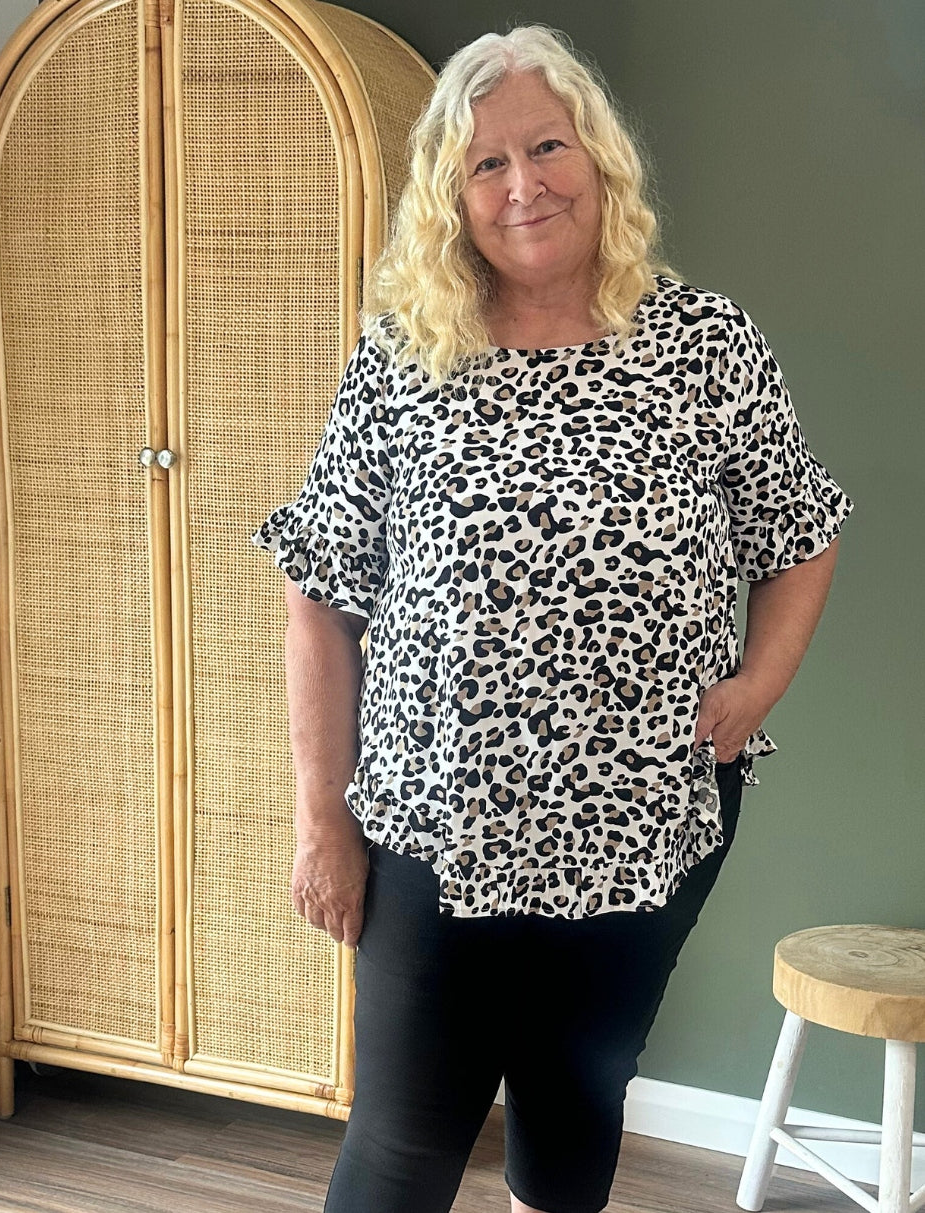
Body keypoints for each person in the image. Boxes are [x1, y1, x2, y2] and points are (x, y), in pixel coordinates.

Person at [251, 24, 852, 1213]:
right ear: (450, 196)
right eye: (484, 164)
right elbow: (317, 593)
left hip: (645, 810)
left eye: (544, 146)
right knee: (402, 1142)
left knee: (577, 1100)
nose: (521, 183)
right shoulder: (403, 356)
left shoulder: (704, 344)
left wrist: (754, 691)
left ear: (598, 160)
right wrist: (323, 820)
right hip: (434, 821)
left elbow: (799, 530)